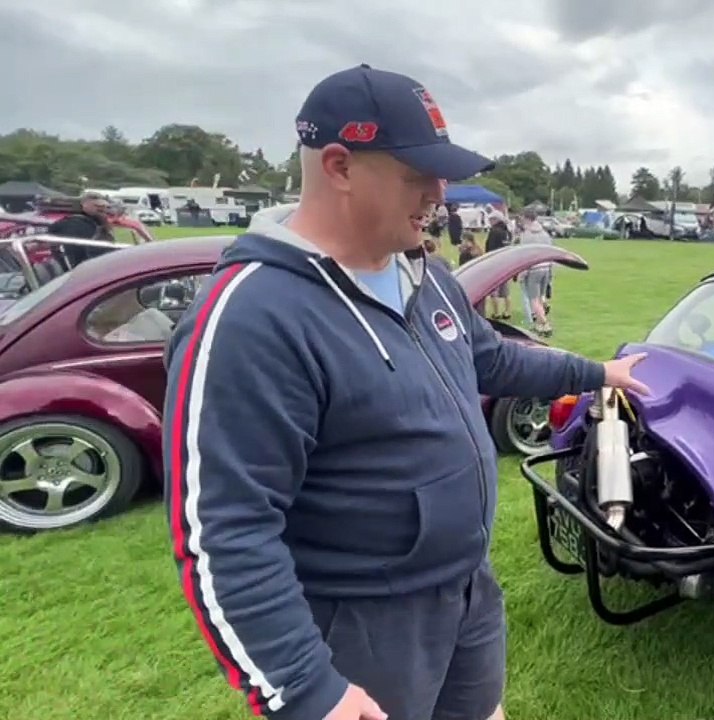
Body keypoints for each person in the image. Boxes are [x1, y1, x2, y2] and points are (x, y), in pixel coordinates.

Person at [161, 63, 651, 720]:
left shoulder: (424, 275)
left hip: (465, 593)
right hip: (361, 628)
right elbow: (225, 531)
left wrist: (597, 374)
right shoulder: (253, 317)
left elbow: (491, 360)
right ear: (339, 166)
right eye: (418, 174)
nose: (439, 195)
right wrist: (307, 688)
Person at [46, 192, 116, 266]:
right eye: (98, 206)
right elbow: (75, 256)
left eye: (106, 207)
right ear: (84, 205)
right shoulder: (76, 225)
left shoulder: (95, 224)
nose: (103, 210)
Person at [514, 208, 554, 336]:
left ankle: (545, 324)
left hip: (533, 269)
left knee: (533, 299)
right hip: (546, 267)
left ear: (526, 218)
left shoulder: (526, 235)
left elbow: (524, 255)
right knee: (541, 297)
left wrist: (522, 273)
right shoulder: (545, 234)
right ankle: (539, 324)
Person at [484, 213, 512, 319]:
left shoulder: (494, 232)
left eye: (491, 219)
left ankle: (496, 313)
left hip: (495, 263)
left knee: (493, 290)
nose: (490, 222)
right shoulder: (507, 232)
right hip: (506, 263)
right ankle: (507, 312)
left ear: (496, 220)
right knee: (505, 291)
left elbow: (490, 248)